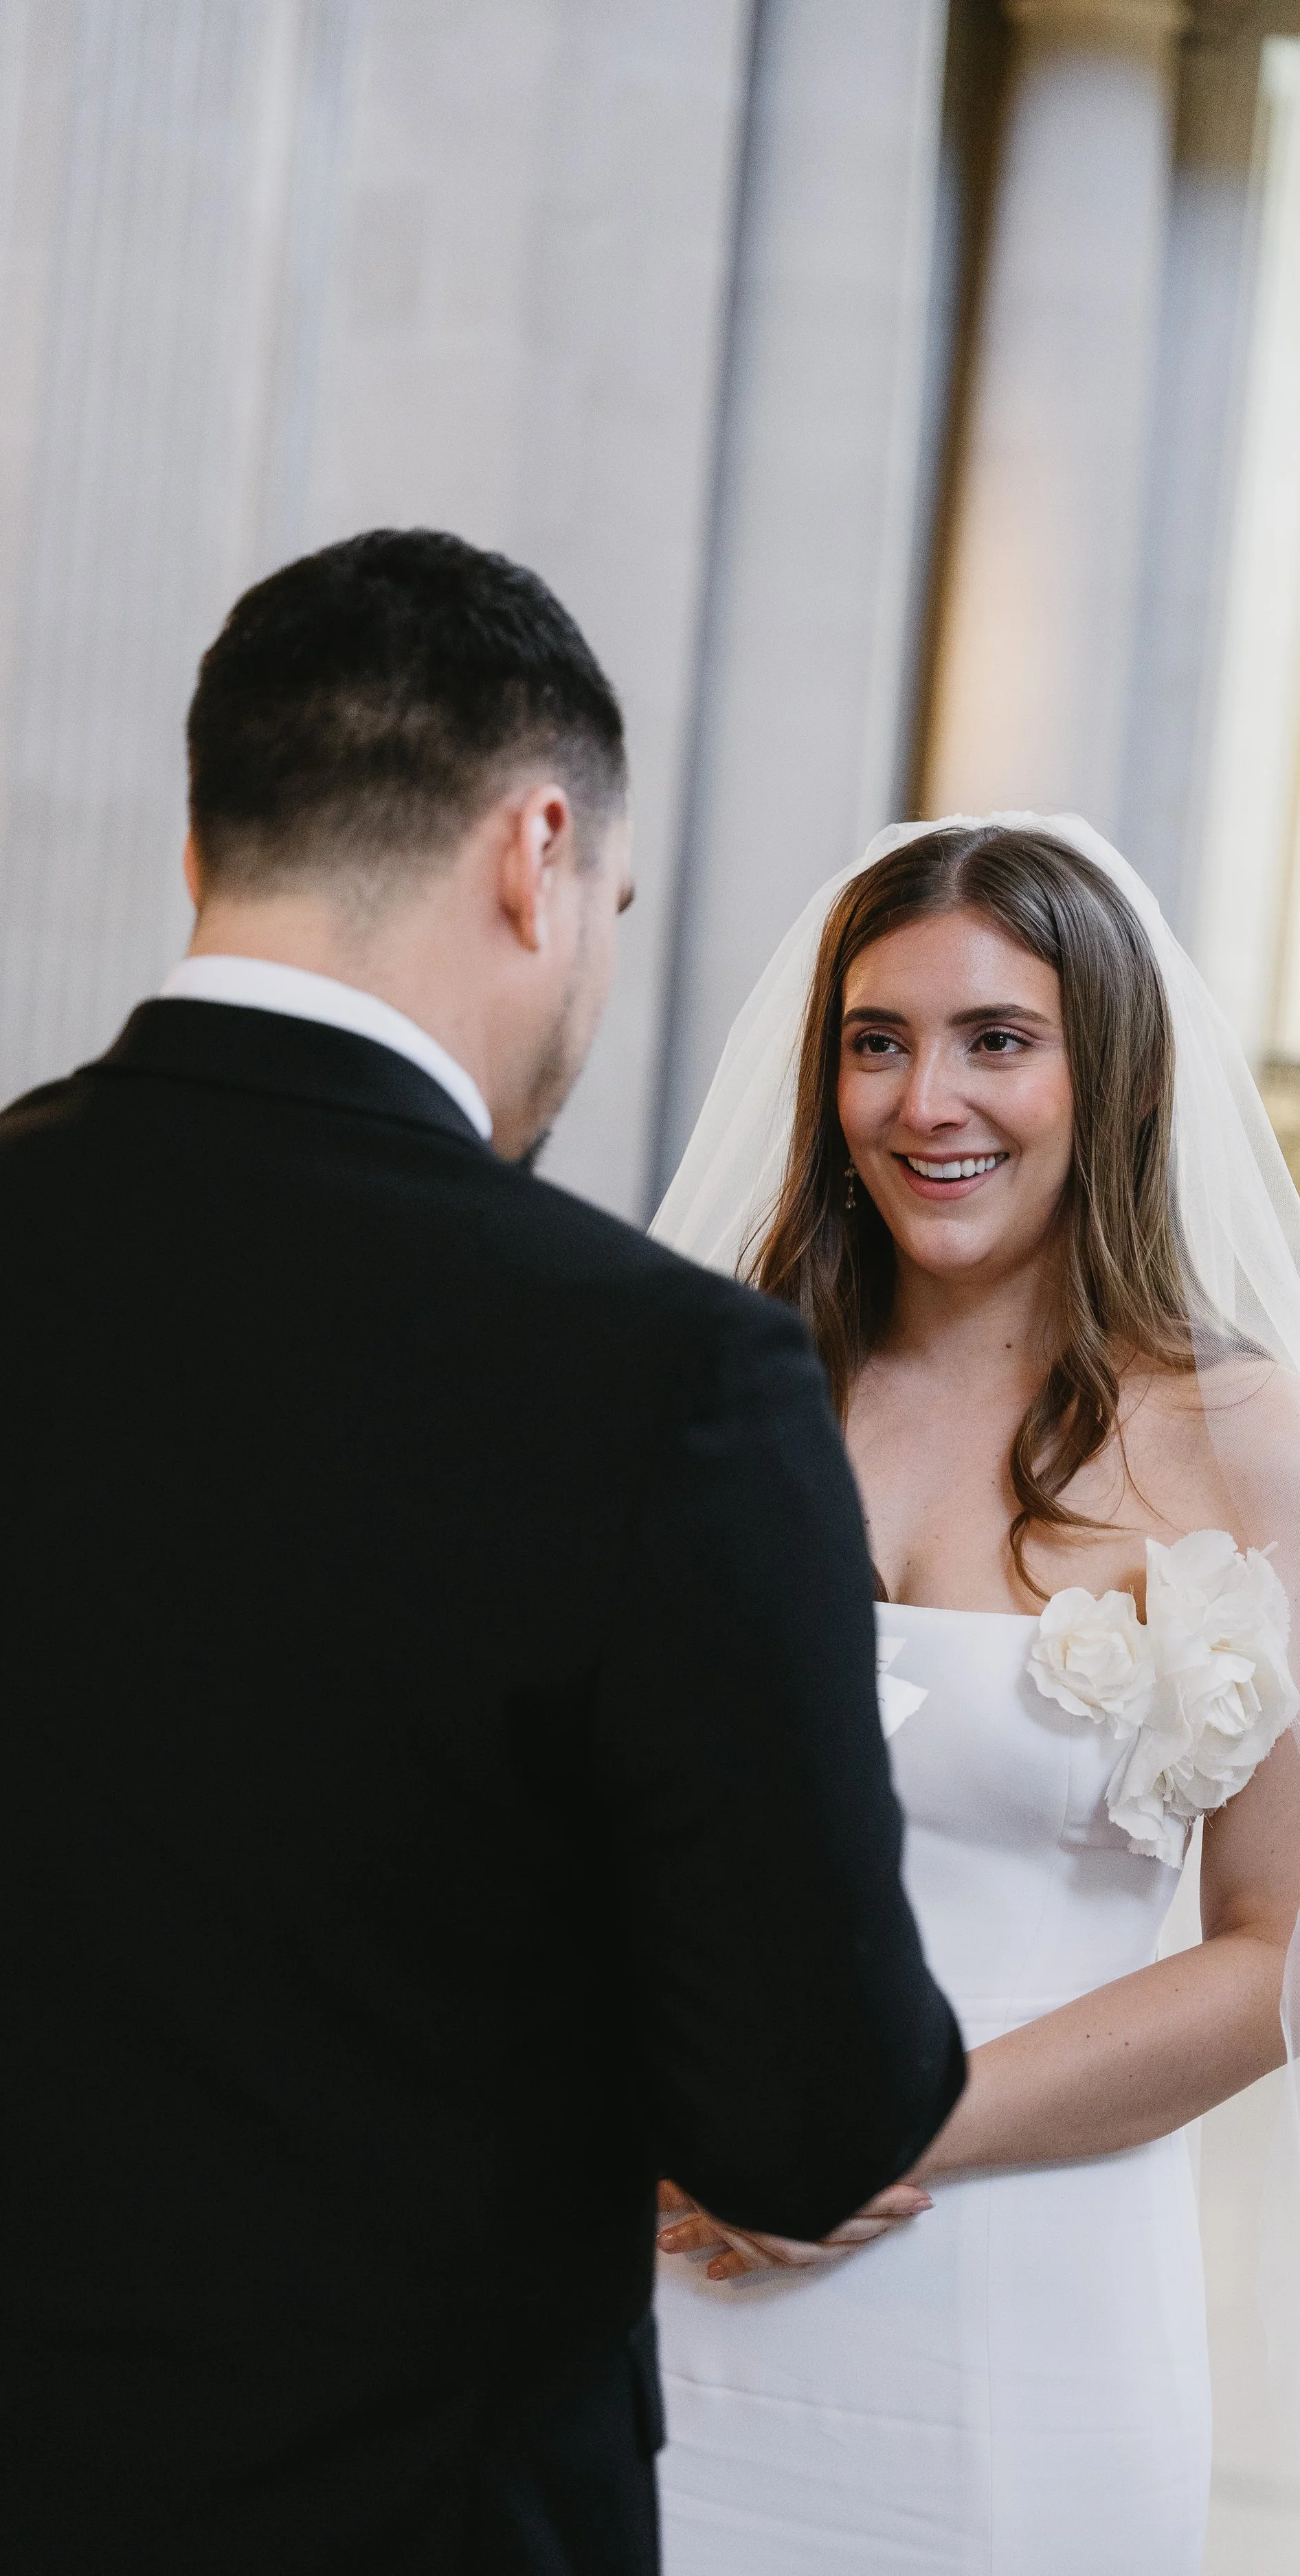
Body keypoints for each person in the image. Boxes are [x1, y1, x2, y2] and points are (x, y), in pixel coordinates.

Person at [0, 531, 965, 2576]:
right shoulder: (665, 1381)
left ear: (206, 850)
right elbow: (811, 2111)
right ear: (536, 851)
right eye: (607, 903)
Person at [650, 817, 1300, 2576]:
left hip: (1024, 2292)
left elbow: (1289, 1947)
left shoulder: (1251, 1446)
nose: (928, 1099)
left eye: (998, 1038)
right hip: (678, 2267)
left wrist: (883, 2128)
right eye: (876, 1040)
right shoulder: (721, 1386)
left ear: (1111, 1078)